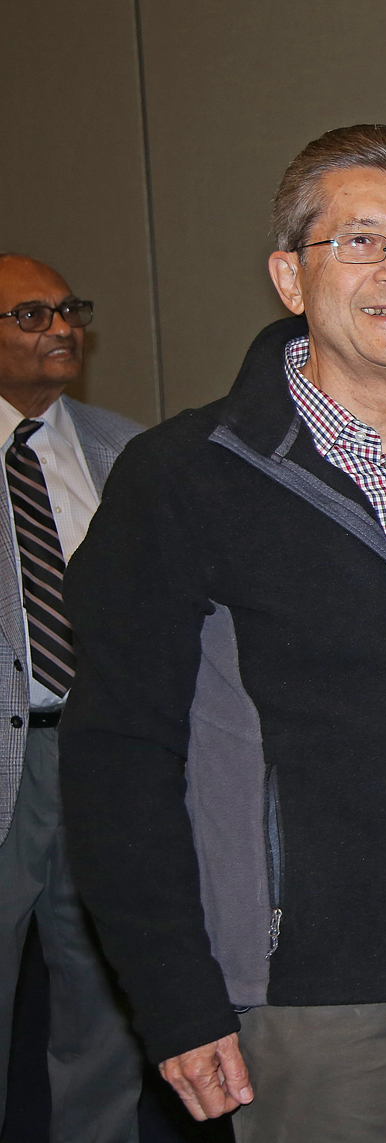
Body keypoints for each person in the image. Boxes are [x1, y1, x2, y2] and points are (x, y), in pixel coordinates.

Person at [58, 124, 386, 1142]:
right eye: (359, 242)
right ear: (290, 277)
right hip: (305, 996)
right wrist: (176, 995)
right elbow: (118, 758)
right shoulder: (185, 480)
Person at [0, 255, 142, 1142]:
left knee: (103, 1009)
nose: (62, 329)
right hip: (4, 770)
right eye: (30, 313)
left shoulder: (124, 449)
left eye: (69, 310)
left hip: (98, 757)